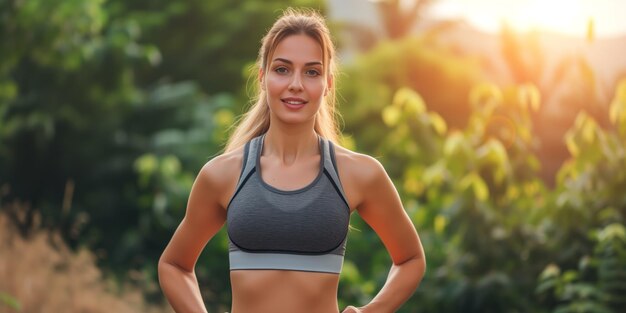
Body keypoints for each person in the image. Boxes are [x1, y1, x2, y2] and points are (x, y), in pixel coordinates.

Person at [158, 8, 426, 313]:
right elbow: (174, 265)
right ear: (262, 77)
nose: (296, 84)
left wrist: (372, 311)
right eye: (282, 69)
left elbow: (410, 259)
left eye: (311, 72)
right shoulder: (222, 175)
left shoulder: (359, 174)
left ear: (328, 84)